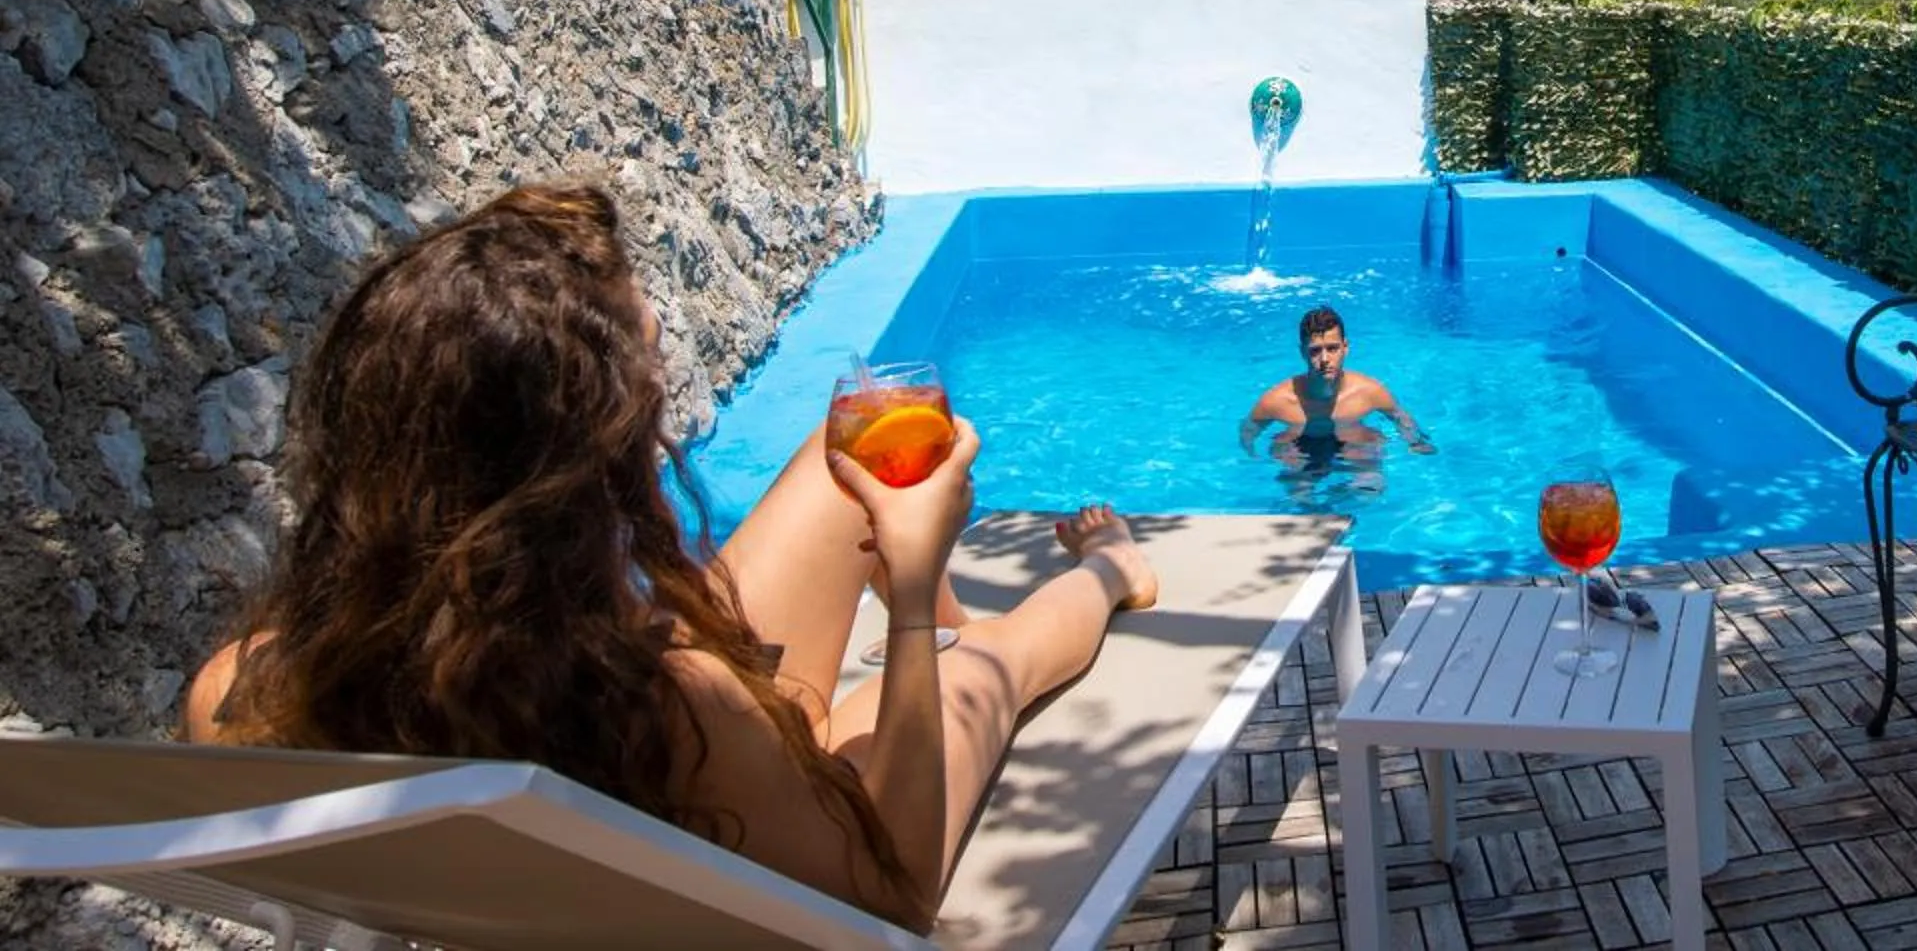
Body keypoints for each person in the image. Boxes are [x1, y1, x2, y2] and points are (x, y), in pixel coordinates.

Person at [178, 184, 1156, 934]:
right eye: (645, 380)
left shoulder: (247, 692)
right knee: (983, 668)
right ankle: (1108, 571)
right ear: (575, 466)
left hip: (697, 788)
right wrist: (906, 591)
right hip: (794, 829)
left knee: (846, 451)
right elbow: (892, 900)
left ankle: (929, 610)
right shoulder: (677, 704)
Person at [1238, 304, 1435, 457]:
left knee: (1370, 472)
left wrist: (1415, 442)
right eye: (1315, 350)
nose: (1324, 359)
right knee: (1287, 459)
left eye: (1332, 348)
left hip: (1353, 440)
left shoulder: (1369, 392)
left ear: (1345, 348)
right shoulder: (1277, 401)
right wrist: (1252, 458)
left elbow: (1400, 416)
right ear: (1302, 352)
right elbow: (1248, 432)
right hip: (1297, 446)